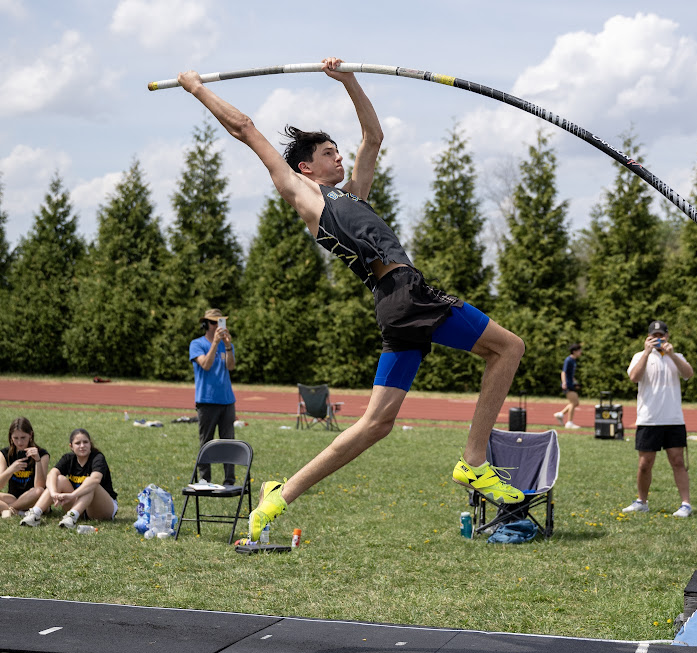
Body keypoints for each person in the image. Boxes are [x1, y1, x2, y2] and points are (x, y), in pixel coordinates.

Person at [177, 57, 526, 542]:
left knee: (376, 424)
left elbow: (373, 137)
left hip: (395, 303)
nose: (338, 158)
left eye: (338, 151)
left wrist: (349, 81)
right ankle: (472, 460)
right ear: (305, 166)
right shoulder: (303, 194)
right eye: (327, 152)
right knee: (509, 348)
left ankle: (278, 495)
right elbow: (245, 127)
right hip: (406, 292)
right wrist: (196, 88)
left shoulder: (354, 197)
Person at [622, 320, 694, 518]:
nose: (658, 339)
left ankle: (686, 504)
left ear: (668, 336)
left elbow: (688, 374)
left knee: (678, 461)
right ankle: (641, 501)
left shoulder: (676, 356)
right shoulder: (640, 356)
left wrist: (672, 355)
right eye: (654, 336)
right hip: (648, 419)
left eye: (661, 335)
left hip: (673, 419)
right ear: (648, 338)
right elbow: (634, 377)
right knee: (645, 464)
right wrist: (646, 353)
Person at [19, 428, 117, 528]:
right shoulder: (68, 458)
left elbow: (95, 479)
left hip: (101, 507)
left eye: (85, 442)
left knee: (90, 483)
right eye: (78, 443)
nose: (82, 446)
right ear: (71, 446)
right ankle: (35, 514)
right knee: (59, 479)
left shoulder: (97, 457)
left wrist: (72, 495)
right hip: (80, 506)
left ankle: (72, 516)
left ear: (90, 444)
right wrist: (53, 493)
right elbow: (51, 474)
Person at [190, 308, 236, 485]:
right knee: (206, 441)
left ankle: (229, 479)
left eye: (220, 322)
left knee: (228, 442)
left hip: (227, 400)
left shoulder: (226, 344)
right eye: (213, 322)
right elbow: (205, 365)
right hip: (207, 401)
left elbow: (231, 367)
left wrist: (228, 346)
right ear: (206, 324)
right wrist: (215, 344)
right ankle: (204, 478)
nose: (217, 325)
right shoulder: (197, 344)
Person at [0, 417, 50, 518]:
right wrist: (11, 469)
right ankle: (18, 512)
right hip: (14, 498)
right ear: (11, 437)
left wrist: (38, 461)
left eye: (23, 438)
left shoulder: (42, 454)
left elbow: (40, 486)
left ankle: (9, 509)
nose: (19, 443)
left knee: (39, 491)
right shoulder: (4, 454)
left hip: (34, 498)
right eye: (15, 438)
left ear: (30, 435)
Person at [554, 344, 582, 429]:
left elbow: (571, 374)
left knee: (575, 403)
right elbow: (563, 372)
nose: (581, 352)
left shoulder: (574, 361)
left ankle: (561, 414)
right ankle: (569, 423)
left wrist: (575, 382)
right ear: (574, 351)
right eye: (579, 350)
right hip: (567, 384)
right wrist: (564, 383)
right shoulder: (568, 360)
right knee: (574, 402)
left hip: (571, 383)